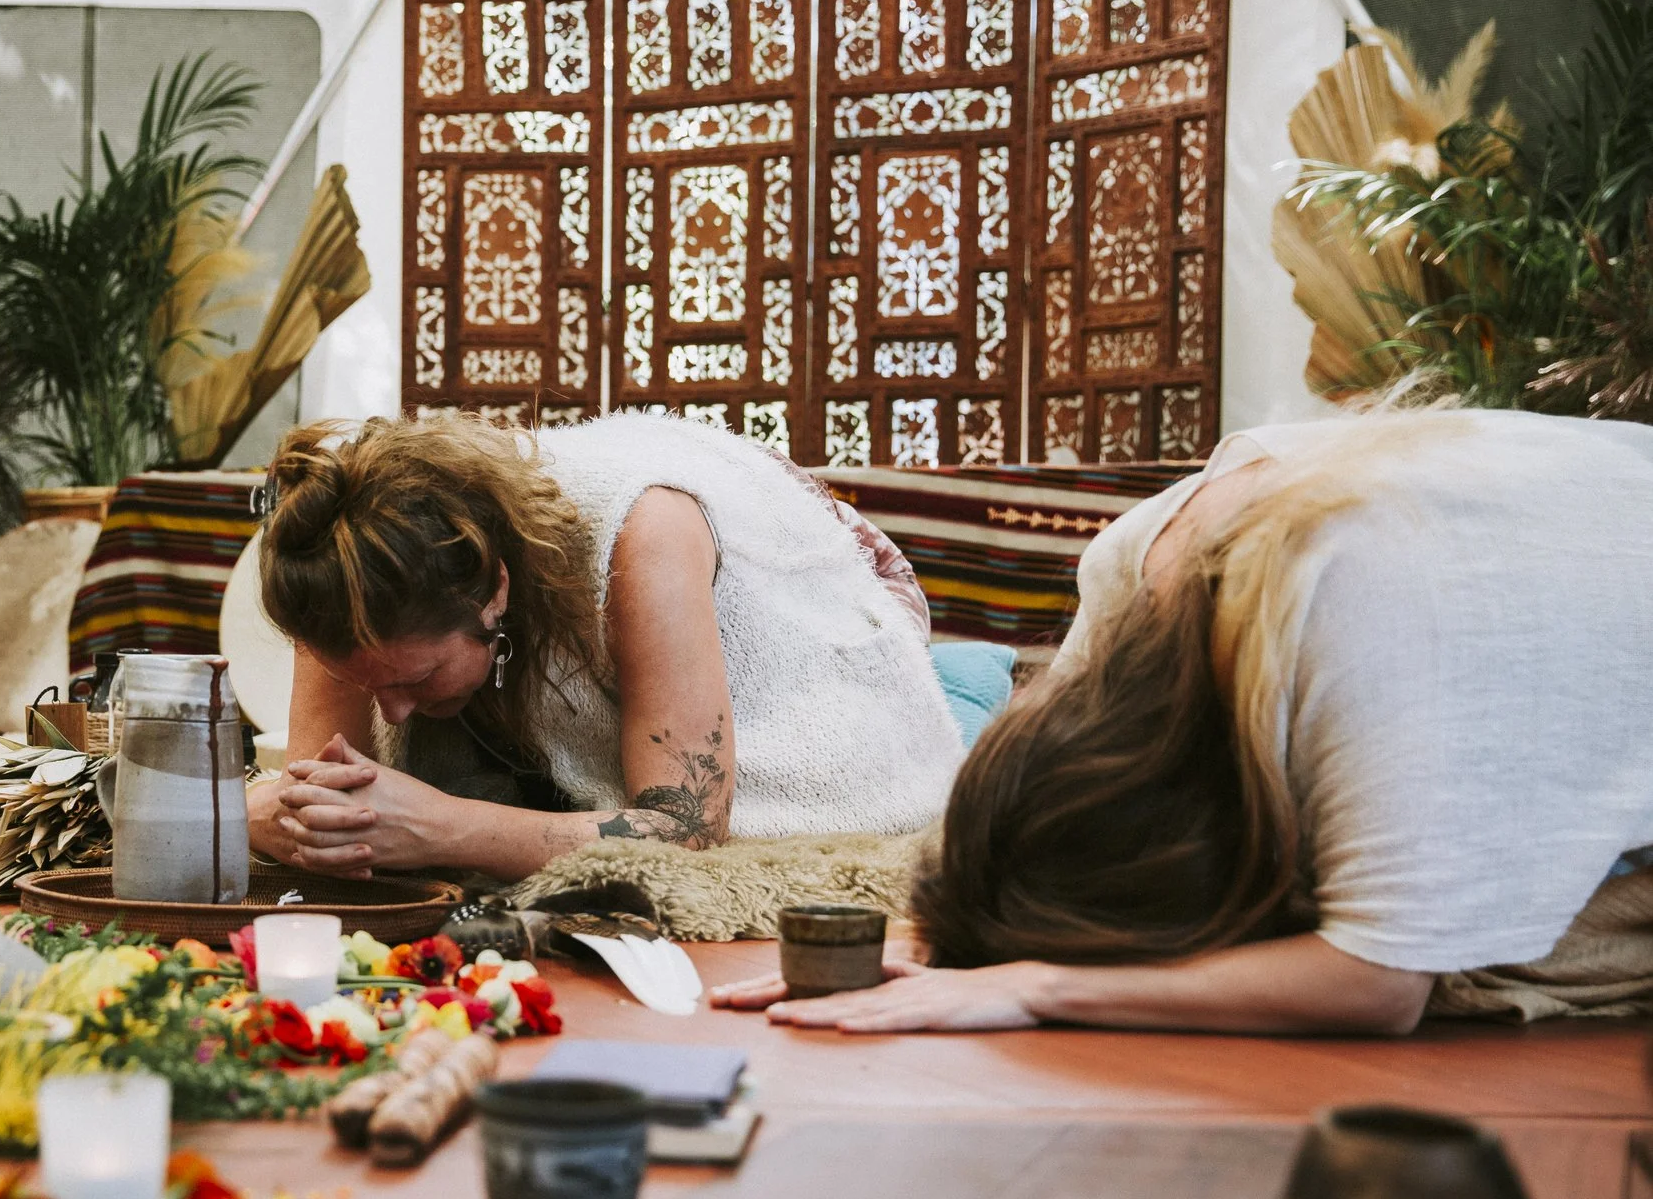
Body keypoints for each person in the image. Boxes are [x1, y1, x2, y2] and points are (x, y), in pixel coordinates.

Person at [719, 407, 1653, 1036]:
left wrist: (1041, 986)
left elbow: (1379, 983)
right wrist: (930, 940)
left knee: (1469, 949)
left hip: (1557, 568)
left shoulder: (1357, 627)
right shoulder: (1137, 565)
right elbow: (1016, 832)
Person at [245, 409, 962, 882]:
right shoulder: (343, 578)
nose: (392, 714)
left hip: (832, 624)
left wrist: (442, 829)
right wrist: (269, 815)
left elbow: (686, 827)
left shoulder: (640, 533)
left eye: (418, 677)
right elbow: (313, 802)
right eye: (370, 684)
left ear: (494, 591)